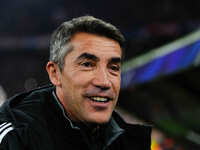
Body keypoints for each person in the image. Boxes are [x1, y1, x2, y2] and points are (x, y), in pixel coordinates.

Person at [0, 16, 151, 150]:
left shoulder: (130, 140)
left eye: (113, 68)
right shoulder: (16, 137)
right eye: (87, 64)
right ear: (55, 73)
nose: (104, 82)